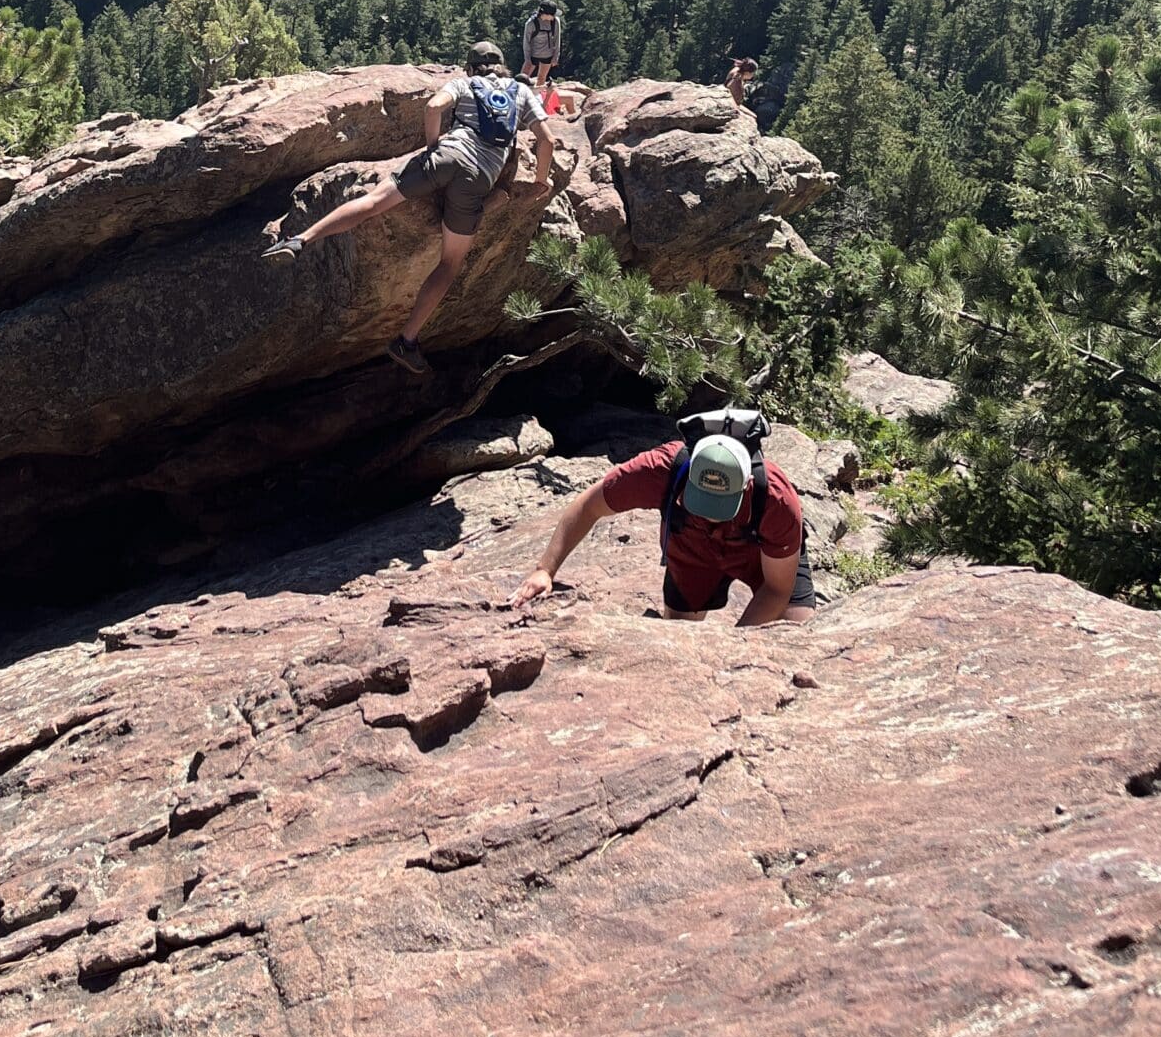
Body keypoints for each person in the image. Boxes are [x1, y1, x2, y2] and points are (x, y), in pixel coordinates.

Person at [264, 42, 555, 375]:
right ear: (501, 66)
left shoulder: (464, 84)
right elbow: (546, 140)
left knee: (373, 203)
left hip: (447, 154)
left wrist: (433, 149)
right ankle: (407, 340)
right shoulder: (520, 91)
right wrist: (540, 181)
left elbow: (433, 107)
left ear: (471, 68)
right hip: (478, 179)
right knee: (449, 263)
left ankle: (299, 240)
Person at [513, 425, 815, 624]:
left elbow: (776, 589)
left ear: (747, 485)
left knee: (796, 634)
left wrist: (734, 650)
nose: (710, 515)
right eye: (701, 502)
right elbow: (588, 505)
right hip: (694, 550)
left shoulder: (776, 500)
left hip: (759, 555)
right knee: (679, 635)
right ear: (690, 470)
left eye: (721, 508)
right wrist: (545, 570)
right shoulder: (659, 470)